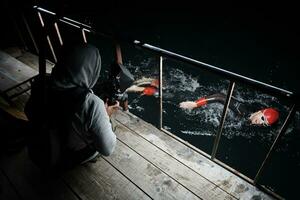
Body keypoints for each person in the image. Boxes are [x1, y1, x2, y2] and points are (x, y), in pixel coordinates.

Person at [25, 43, 119, 171]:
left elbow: (28, 111)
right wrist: (106, 115)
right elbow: (107, 149)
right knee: (111, 126)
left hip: (37, 152)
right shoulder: (92, 103)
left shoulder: (41, 83)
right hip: (60, 161)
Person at [179, 93, 279, 126]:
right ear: (259, 112)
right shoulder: (242, 110)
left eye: (264, 123)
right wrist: (195, 104)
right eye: (262, 118)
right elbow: (220, 97)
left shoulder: (250, 120)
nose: (260, 123)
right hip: (207, 97)